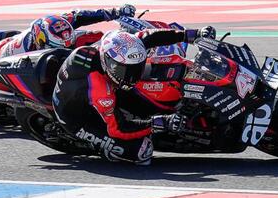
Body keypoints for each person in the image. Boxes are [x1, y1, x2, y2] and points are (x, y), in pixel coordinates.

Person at [52, 26, 217, 165]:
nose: (132, 76)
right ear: (108, 62)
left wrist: (190, 34)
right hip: (76, 117)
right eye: (126, 71)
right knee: (142, 153)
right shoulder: (100, 90)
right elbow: (118, 128)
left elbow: (148, 37)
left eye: (136, 68)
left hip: (96, 86)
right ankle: (106, 150)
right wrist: (157, 123)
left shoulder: (118, 48)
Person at [0, 4, 138, 61]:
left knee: (95, 35)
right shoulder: (23, 52)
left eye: (69, 44)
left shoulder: (60, 23)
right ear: (41, 42)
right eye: (64, 47)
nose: (68, 47)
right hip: (3, 62)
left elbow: (81, 15)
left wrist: (116, 12)